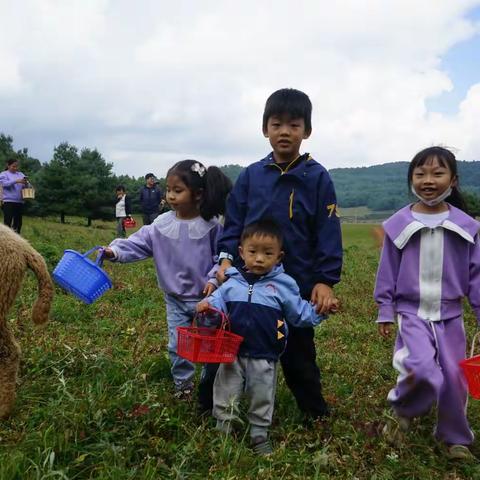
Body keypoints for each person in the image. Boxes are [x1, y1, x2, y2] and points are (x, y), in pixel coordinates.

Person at [215, 88, 343, 421]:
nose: (284, 132)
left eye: (294, 125)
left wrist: (325, 280)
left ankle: (315, 413)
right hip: (248, 281)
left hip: (296, 282)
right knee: (232, 340)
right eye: (276, 124)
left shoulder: (317, 177)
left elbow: (328, 232)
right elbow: (233, 223)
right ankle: (212, 405)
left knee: (299, 350)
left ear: (307, 131)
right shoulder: (251, 176)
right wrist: (227, 258)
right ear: (265, 129)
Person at [374, 146, 480, 461]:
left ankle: (454, 439)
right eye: (420, 174)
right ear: (411, 179)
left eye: (437, 173)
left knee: (454, 379)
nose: (428, 180)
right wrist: (385, 310)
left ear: (453, 180)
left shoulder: (466, 226)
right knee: (421, 370)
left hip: (450, 317)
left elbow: (476, 277)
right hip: (412, 313)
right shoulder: (399, 223)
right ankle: (402, 414)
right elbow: (387, 271)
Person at [198, 219, 337, 454]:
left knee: (262, 395)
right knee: (225, 390)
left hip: (265, 353)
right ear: (241, 253)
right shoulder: (232, 283)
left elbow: (300, 314)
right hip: (231, 351)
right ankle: (224, 428)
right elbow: (217, 303)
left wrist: (321, 312)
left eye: (267, 253)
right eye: (253, 252)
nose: (259, 258)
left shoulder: (284, 285)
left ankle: (259, 434)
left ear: (279, 257)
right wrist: (206, 305)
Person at [103, 160, 232, 401]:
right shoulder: (161, 225)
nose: (171, 196)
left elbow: (223, 257)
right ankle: (183, 385)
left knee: (208, 344)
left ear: (198, 194)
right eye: (169, 190)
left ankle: (209, 384)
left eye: (178, 190)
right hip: (174, 298)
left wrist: (214, 279)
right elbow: (138, 243)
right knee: (177, 345)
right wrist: (114, 251)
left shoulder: (212, 226)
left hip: (207, 299)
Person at [0, 159, 27, 234]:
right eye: (13, 166)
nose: (15, 168)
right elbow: (4, 184)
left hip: (19, 201)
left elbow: (27, 184)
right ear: (8, 166)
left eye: (16, 166)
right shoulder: (4, 174)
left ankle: (17, 241)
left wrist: (26, 184)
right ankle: (6, 239)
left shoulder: (20, 174)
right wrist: (16, 181)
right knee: (7, 222)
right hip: (8, 202)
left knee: (18, 223)